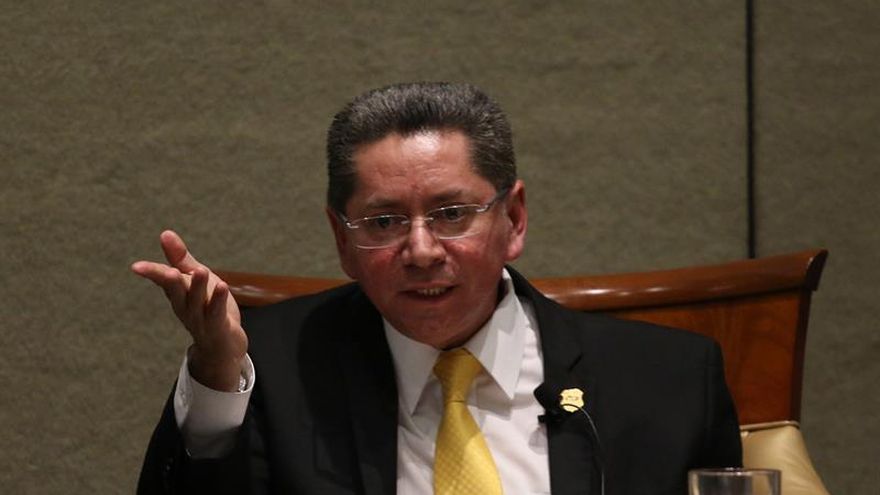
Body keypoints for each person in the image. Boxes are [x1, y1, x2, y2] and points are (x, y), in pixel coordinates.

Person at [133, 82, 741, 495]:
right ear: (342, 239)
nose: (421, 251)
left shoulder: (670, 384)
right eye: (384, 222)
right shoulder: (267, 372)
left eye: (452, 214)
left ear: (514, 220)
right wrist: (217, 377)